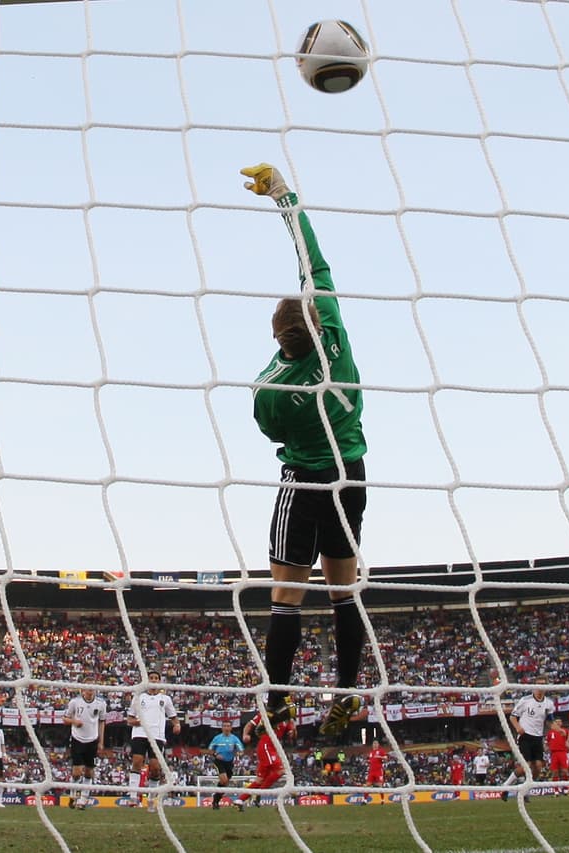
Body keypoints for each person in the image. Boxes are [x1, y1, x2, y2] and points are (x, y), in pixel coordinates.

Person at [241, 162, 368, 739]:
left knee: (286, 598)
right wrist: (285, 197)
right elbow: (313, 261)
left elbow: (270, 432)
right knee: (345, 589)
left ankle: (280, 701)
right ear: (318, 322)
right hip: (350, 477)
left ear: (277, 337)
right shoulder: (336, 340)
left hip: (304, 483)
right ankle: (346, 694)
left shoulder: (270, 387)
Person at [126, 670, 180, 810]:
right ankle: (133, 796)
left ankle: (151, 799)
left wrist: (177, 725)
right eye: (151, 678)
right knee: (137, 762)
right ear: (147, 680)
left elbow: (173, 717)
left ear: (159, 681)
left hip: (157, 736)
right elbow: (129, 719)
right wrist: (136, 722)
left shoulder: (165, 699)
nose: (154, 680)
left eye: (156, 678)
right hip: (139, 734)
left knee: (155, 768)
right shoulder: (138, 697)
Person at [236, 710, 294, 811]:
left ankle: (239, 800)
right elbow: (249, 725)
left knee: (260, 780)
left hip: (274, 747)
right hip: (266, 746)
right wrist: (245, 735)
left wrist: (292, 730)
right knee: (281, 770)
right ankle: (259, 794)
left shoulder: (286, 718)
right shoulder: (266, 714)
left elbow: (291, 733)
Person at [62, 687, 107, 809]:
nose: (90, 691)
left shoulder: (101, 704)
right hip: (77, 739)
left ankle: (83, 800)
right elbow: (65, 719)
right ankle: (73, 795)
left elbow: (102, 722)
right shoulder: (75, 702)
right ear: (82, 691)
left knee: (89, 771)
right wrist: (74, 722)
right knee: (76, 772)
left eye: (92, 689)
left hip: (92, 740)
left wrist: (101, 742)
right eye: (87, 689)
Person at [510, 685, 556, 793]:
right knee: (527, 765)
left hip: (538, 737)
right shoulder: (525, 700)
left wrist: (560, 730)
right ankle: (505, 786)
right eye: (537, 686)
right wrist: (518, 727)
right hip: (525, 736)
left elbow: (550, 722)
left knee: (539, 766)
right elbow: (512, 716)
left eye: (542, 686)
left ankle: (526, 791)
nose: (540, 689)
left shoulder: (548, 703)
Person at [206, 720, 245, 810]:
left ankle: (216, 800)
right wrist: (216, 755)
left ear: (231, 728)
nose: (226, 728)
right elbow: (210, 750)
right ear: (222, 728)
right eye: (225, 726)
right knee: (224, 780)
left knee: (225, 783)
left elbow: (241, 749)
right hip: (219, 762)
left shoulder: (234, 739)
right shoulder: (217, 738)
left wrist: (240, 753)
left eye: (228, 726)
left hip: (229, 763)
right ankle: (215, 801)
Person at [546, 717, 569, 786]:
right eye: (556, 722)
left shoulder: (565, 731)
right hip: (554, 753)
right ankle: (556, 791)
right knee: (555, 772)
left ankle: (566, 789)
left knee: (565, 771)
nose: (558, 723)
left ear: (561, 723)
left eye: (559, 721)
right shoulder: (550, 732)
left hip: (562, 752)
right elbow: (547, 743)